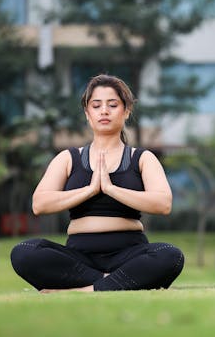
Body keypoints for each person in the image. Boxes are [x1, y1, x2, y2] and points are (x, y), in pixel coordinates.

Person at [11, 74, 184, 292]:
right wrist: (90, 190)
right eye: (96, 105)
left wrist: (111, 189)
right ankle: (114, 282)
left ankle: (85, 289)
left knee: (170, 255)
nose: (104, 111)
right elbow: (40, 204)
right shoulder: (68, 158)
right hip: (79, 259)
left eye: (113, 105)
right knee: (24, 251)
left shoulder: (141, 158)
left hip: (128, 254)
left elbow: (163, 203)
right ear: (87, 113)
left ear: (126, 111)